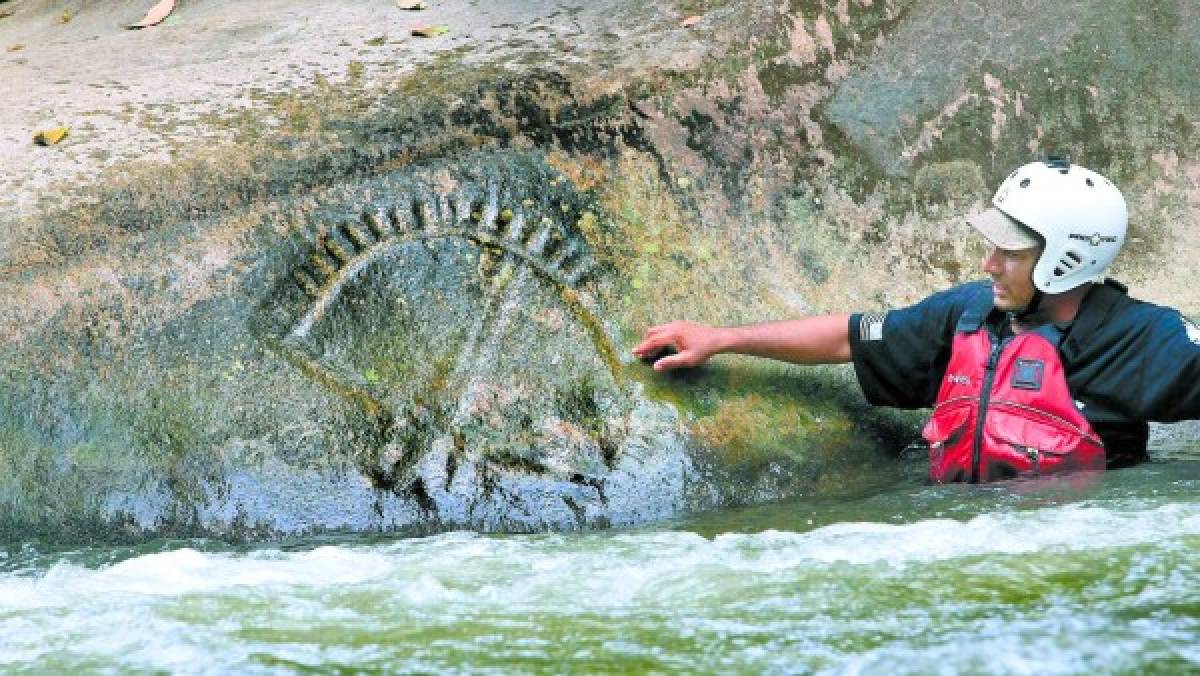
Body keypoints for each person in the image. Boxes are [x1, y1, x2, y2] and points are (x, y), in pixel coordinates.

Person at [633, 159, 1200, 483]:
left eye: (1012, 253)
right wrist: (721, 339)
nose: (990, 264)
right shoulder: (967, 314)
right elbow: (846, 337)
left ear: (1067, 259)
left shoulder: (1148, 340)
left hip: (1078, 545)